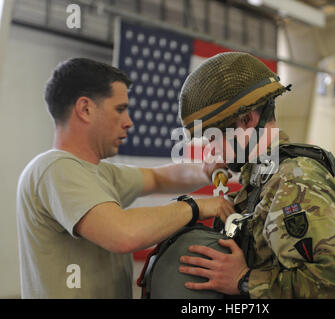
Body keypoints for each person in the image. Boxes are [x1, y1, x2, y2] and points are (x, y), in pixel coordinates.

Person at [16, 58, 234, 299]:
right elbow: (123, 235)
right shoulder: (55, 168)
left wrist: (205, 168)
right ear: (85, 109)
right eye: (120, 109)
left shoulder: (99, 172)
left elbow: (158, 178)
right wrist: (195, 206)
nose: (129, 122)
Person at [176, 52, 335, 298]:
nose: (211, 150)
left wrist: (243, 280)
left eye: (212, 137)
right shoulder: (263, 180)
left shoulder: (294, 181)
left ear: (246, 119)